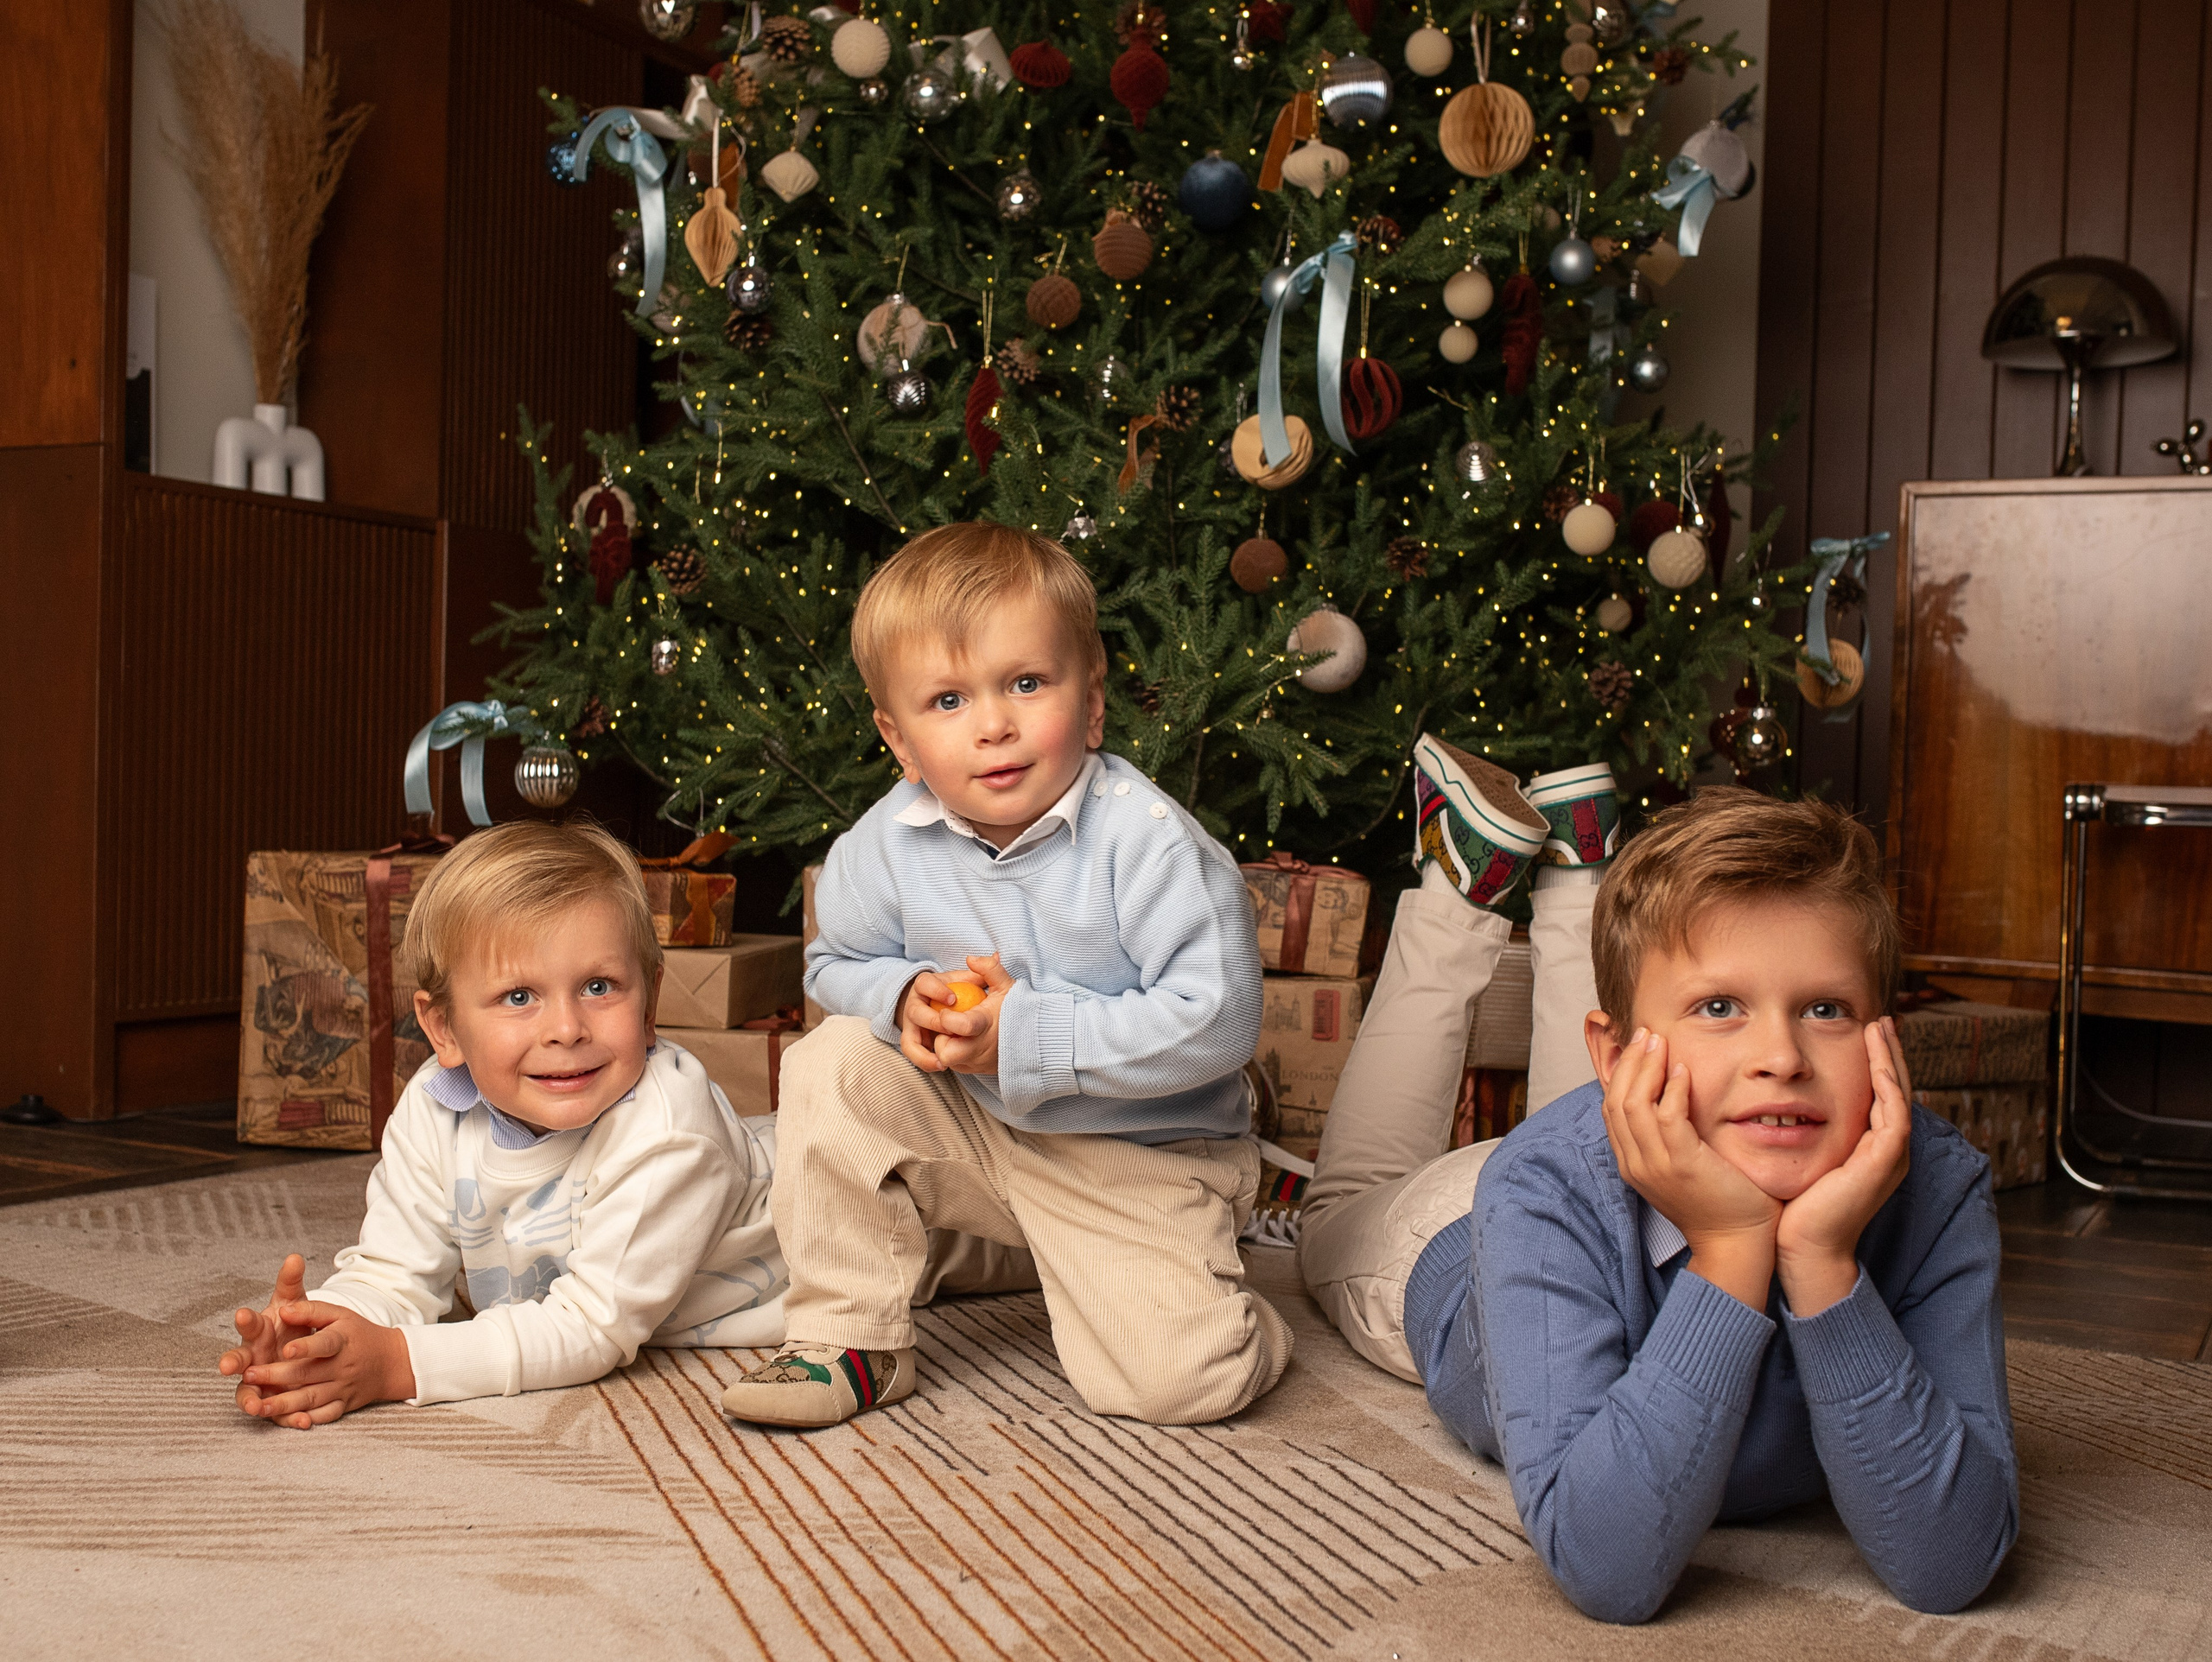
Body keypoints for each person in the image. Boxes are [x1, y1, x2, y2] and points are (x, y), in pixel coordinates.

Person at [1298, 757, 2018, 1623]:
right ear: (1613, 1060)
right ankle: (1455, 892)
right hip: (1448, 1236)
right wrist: (1730, 1252)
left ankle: (1576, 883)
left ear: (1881, 1037)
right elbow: (1605, 1568)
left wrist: (1820, 1261)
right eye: (1720, 1007)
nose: (1781, 1058)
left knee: (1670, 1067)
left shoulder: (1935, 1183)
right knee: (1345, 1201)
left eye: (1824, 1009)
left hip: (1651, 1137)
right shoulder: (1538, 1188)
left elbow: (1950, 1563)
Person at [720, 523, 1286, 1430]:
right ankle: (847, 1334)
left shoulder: (1148, 841)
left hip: (1136, 1156)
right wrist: (900, 997)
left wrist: (1026, 1032)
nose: (993, 724)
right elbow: (832, 965)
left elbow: (1218, 1019)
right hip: (978, 1129)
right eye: (947, 700)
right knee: (830, 1062)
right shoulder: (884, 840)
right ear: (898, 739)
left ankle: (1209, 1288)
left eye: (1026, 683)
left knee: (1180, 1384)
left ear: (1091, 702)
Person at [216, 819, 792, 1425]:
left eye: (599, 986)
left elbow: (591, 1327)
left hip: (836, 1218)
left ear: (649, 1004)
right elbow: (395, 1271)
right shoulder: (433, 1107)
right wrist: (322, 1337)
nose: (566, 1029)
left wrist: (396, 1363)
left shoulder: (669, 1128)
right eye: (520, 997)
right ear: (443, 1028)